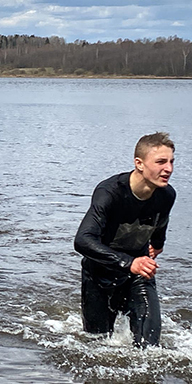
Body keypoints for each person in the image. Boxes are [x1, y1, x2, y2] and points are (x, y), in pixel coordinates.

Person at [74, 132, 176, 348]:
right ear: (139, 163)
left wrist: (158, 244)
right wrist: (129, 263)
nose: (168, 169)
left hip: (139, 276)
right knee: (96, 345)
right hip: (99, 276)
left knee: (150, 349)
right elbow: (82, 240)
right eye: (160, 162)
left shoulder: (167, 195)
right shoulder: (109, 192)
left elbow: (161, 223)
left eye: (171, 162)